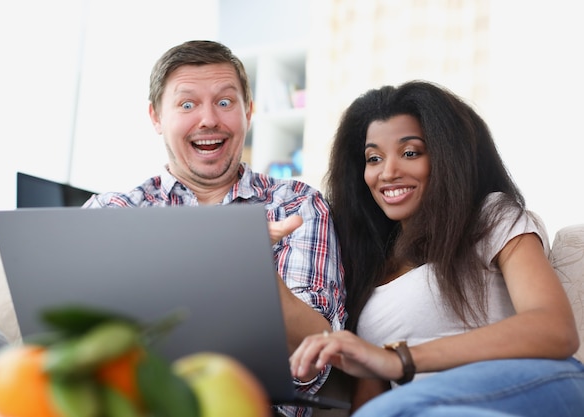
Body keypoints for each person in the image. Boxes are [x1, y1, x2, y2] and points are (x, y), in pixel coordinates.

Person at [82, 40, 346, 417]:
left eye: (224, 102)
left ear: (248, 112)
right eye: (187, 104)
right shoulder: (111, 212)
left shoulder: (296, 205)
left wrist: (252, 267)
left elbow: (314, 360)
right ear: (156, 117)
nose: (209, 119)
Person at [289, 80, 584, 416]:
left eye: (410, 152)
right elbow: (373, 393)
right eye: (373, 158)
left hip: (532, 386)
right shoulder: (369, 265)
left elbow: (555, 329)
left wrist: (399, 360)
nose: (388, 172)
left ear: (446, 157)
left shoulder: (490, 216)